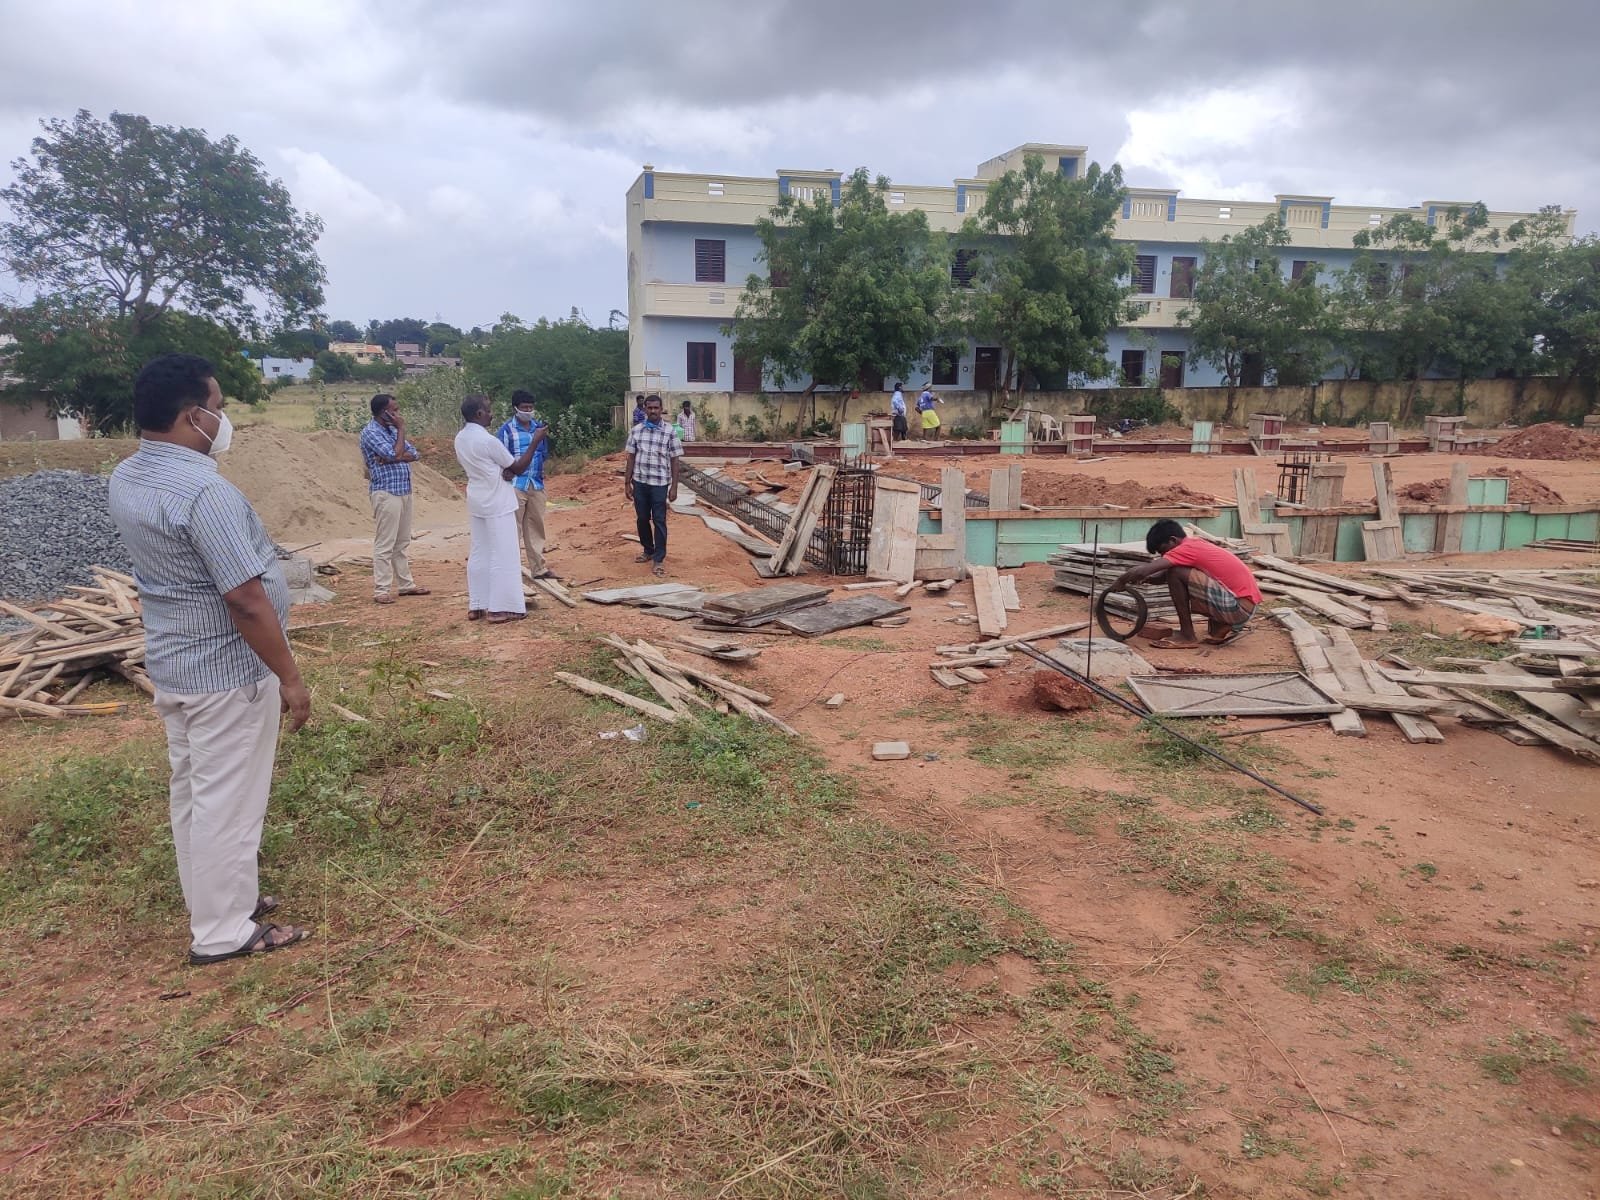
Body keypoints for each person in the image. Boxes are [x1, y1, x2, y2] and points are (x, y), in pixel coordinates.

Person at [107, 354, 312, 965]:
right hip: (227, 675)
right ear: (193, 416)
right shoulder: (203, 492)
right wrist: (290, 676)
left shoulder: (128, 476)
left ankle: (217, 900)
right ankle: (223, 930)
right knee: (230, 802)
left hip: (177, 664)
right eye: (218, 408)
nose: (223, 419)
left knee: (196, 794)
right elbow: (245, 599)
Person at [1107, 519, 1263, 649]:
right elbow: (1161, 576)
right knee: (1174, 571)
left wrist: (1121, 581)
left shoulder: (1185, 549)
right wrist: (1147, 578)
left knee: (1175, 572)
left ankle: (1187, 635)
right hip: (1245, 605)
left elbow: (1149, 571)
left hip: (1238, 607)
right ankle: (1222, 625)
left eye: (1163, 551)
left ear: (1173, 540)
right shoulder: (1194, 544)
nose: (1164, 555)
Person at [454, 394, 539, 623]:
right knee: (504, 554)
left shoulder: (460, 438)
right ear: (479, 414)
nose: (491, 415)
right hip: (497, 501)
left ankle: (478, 604)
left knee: (480, 551)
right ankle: (502, 607)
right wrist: (535, 441)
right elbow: (518, 467)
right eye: (488, 410)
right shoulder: (488, 440)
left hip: (477, 498)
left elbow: (500, 466)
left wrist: (506, 469)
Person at [359, 393, 429, 605]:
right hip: (386, 491)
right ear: (384, 413)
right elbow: (393, 454)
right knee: (385, 542)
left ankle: (406, 585)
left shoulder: (391, 431)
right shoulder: (371, 432)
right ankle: (381, 589)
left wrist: (394, 455)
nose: (398, 415)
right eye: (395, 410)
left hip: (403, 490)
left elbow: (413, 453)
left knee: (402, 541)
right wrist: (400, 433)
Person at [495, 390, 552, 579]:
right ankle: (510, 569)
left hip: (536, 483)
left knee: (536, 527)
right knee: (513, 528)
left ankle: (539, 568)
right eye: (524, 407)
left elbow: (543, 454)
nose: (528, 411)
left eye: (530, 407)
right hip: (515, 485)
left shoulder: (539, 429)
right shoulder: (506, 430)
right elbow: (501, 457)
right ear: (515, 408)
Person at [624, 394, 682, 577]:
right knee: (642, 518)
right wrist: (627, 482)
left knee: (659, 520)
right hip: (640, 482)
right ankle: (648, 550)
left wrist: (674, 486)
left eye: (656, 408)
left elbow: (675, 460)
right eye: (650, 408)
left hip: (659, 484)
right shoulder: (636, 431)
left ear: (661, 409)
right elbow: (631, 457)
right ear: (645, 409)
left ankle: (659, 559)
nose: (653, 411)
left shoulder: (669, 431)